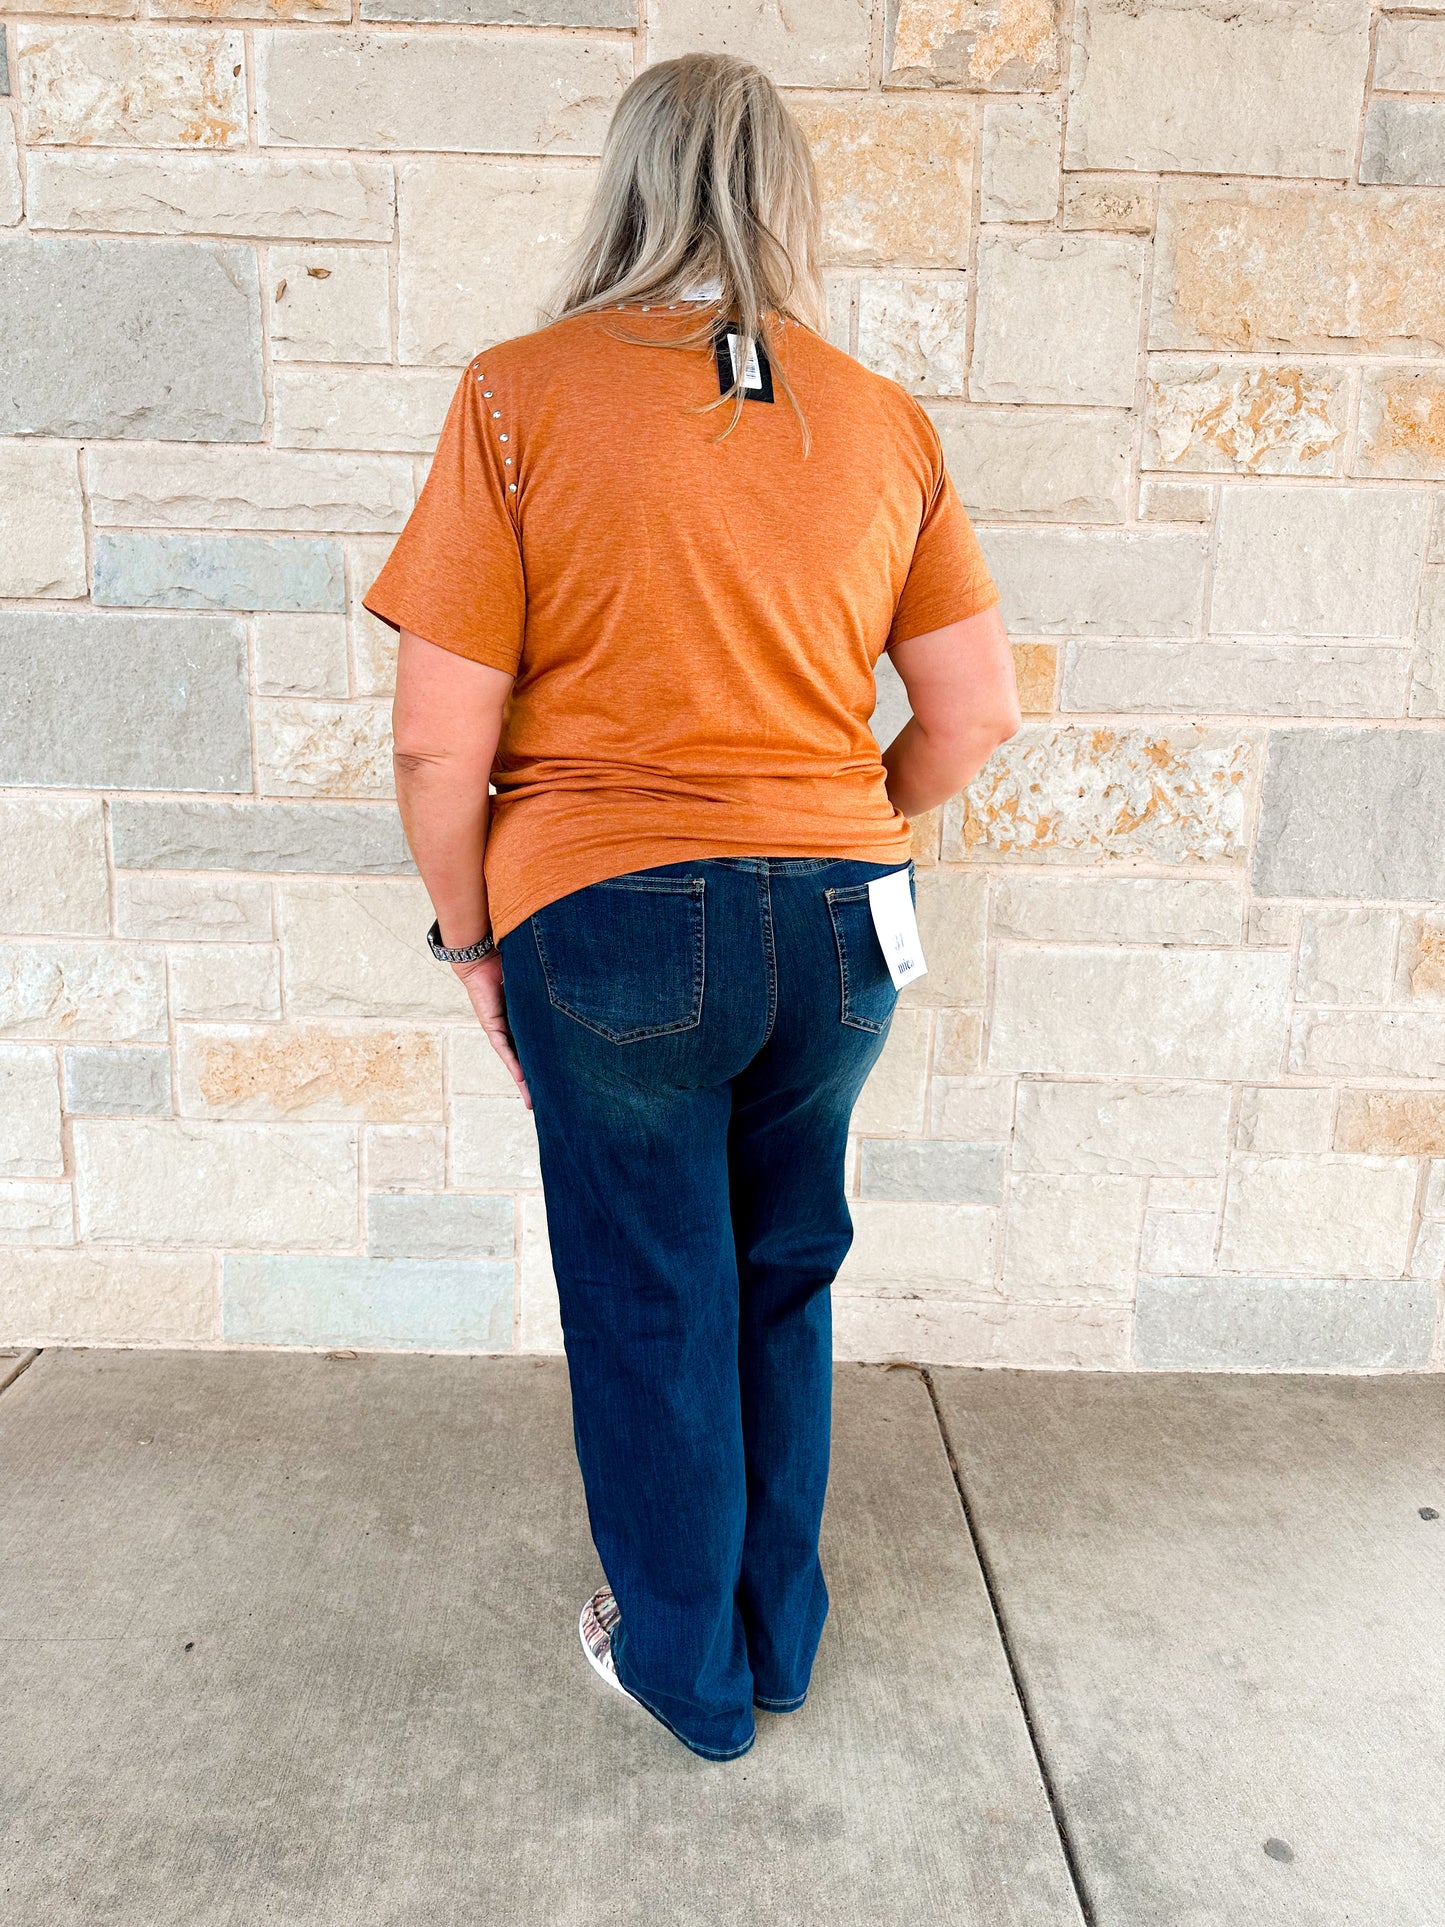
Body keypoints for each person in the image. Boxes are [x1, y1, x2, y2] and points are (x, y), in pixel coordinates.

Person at [364, 51, 1020, 1764]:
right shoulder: (878, 417)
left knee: (654, 1290)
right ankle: (773, 1641)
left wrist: (471, 942)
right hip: (840, 919)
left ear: (624, 183)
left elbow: (443, 745)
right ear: (783, 193)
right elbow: (971, 716)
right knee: (780, 1273)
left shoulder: (518, 394)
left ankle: (684, 1671)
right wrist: (832, 833)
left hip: (611, 916)